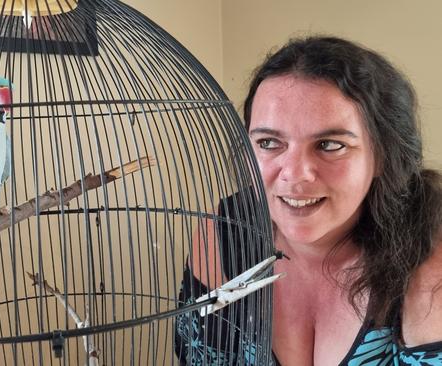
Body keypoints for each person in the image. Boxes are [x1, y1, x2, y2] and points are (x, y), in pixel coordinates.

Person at [174, 36, 442, 365]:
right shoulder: (224, 235)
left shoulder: (428, 256)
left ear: (383, 157)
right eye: (269, 142)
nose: (295, 175)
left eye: (329, 145)